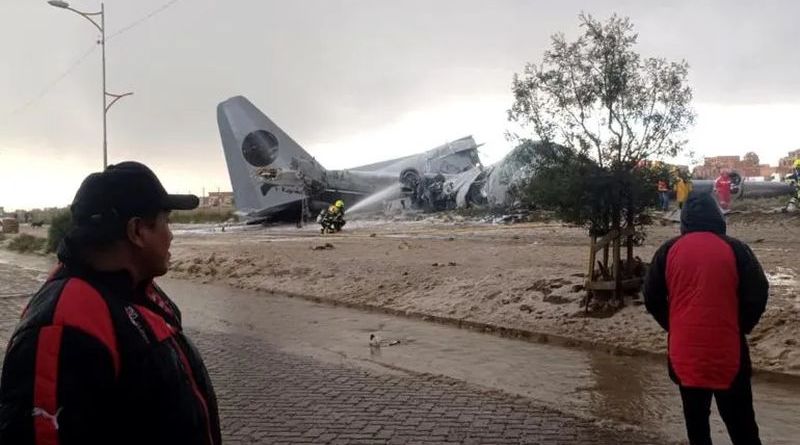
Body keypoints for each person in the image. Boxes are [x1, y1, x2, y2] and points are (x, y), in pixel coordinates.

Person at [0, 162, 221, 445]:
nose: (171, 234)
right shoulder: (65, 322)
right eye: (165, 221)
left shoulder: (139, 292)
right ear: (137, 231)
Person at [643, 192, 768, 445]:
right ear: (717, 216)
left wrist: (674, 325)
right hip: (729, 352)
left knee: (697, 426)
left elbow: (651, 297)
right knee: (742, 426)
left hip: (684, 353)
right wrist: (740, 326)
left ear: (685, 219)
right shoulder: (736, 249)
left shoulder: (668, 251)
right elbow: (758, 293)